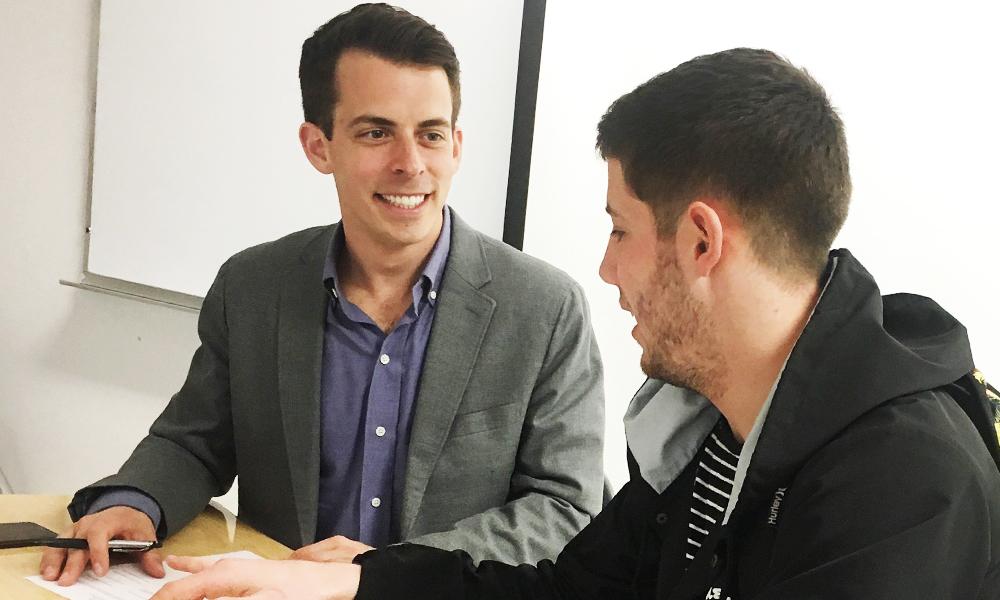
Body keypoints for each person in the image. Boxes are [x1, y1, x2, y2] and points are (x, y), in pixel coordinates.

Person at [151, 47, 1000, 600]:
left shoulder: (905, 486)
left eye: (620, 230)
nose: (605, 269)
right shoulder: (721, 437)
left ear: (701, 241)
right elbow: (571, 592)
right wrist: (354, 584)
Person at [40, 3, 606, 587]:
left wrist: (382, 574)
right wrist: (135, 503)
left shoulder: (544, 308)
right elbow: (195, 442)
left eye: (430, 134)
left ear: (456, 146)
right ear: (319, 146)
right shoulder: (253, 287)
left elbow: (566, 508)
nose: (410, 164)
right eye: (376, 132)